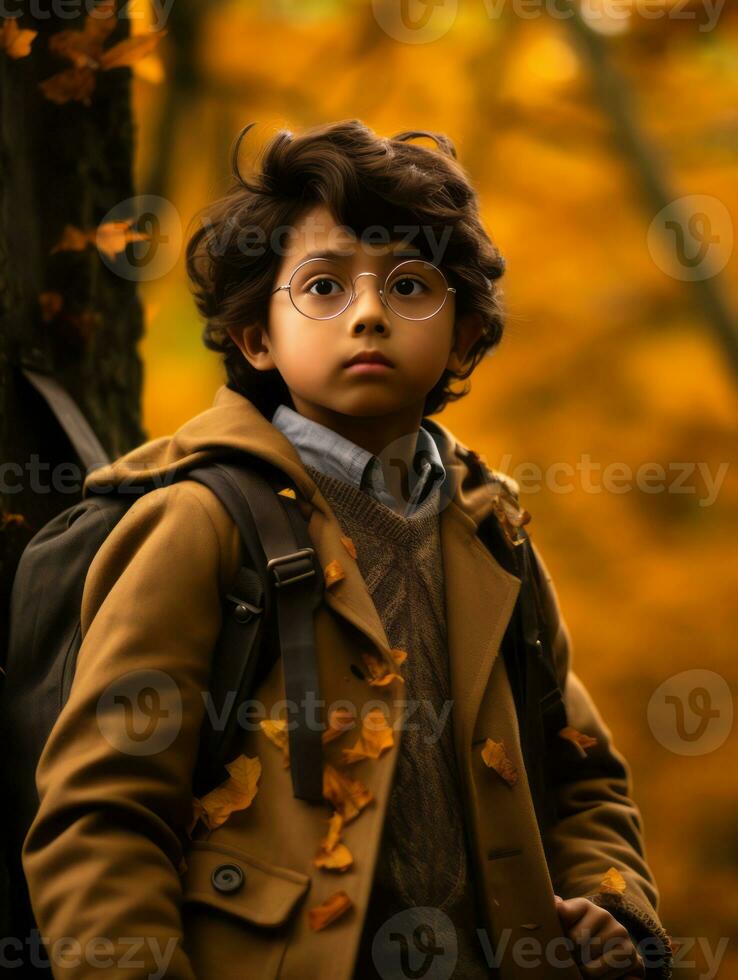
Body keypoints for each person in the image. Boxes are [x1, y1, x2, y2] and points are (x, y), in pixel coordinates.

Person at [21, 119, 673, 980]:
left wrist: (614, 906)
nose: (367, 313)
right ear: (257, 338)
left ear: (466, 334)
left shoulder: (492, 533)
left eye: (409, 286)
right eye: (323, 287)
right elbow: (104, 818)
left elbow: (583, 775)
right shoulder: (202, 521)